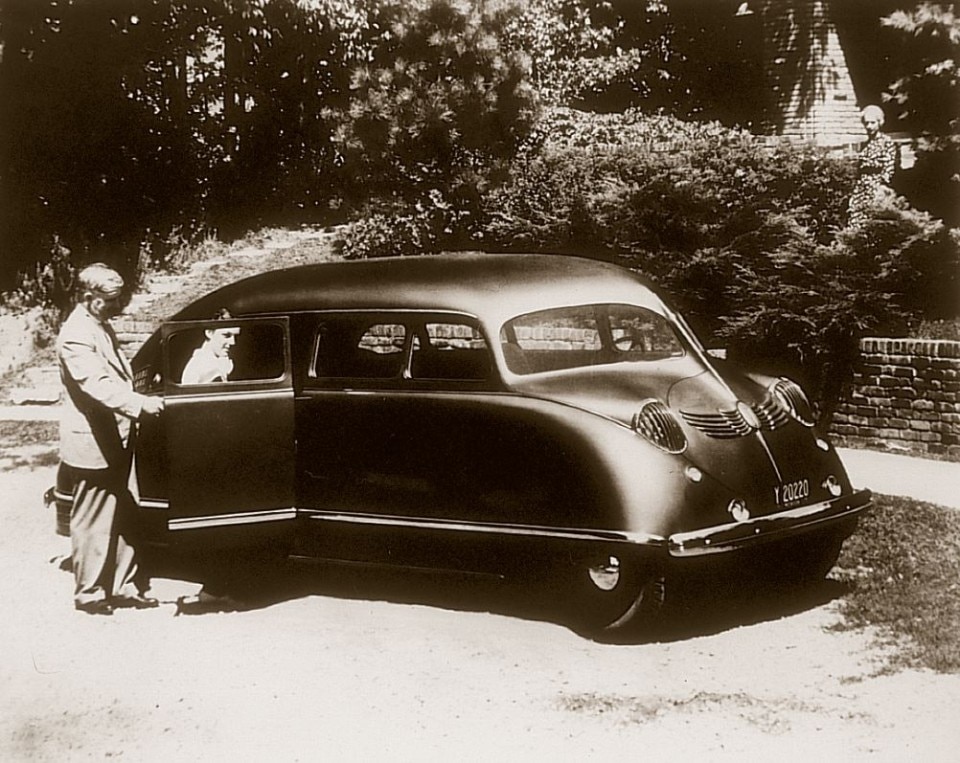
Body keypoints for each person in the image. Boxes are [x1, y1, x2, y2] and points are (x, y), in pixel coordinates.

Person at [57, 263, 165, 615]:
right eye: (112, 300)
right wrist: (140, 404)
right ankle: (89, 593)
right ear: (90, 298)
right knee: (93, 519)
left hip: (114, 438)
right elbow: (96, 384)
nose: (119, 306)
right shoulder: (76, 334)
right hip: (93, 443)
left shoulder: (98, 324)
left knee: (123, 513)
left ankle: (123, 586)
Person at [848, 104, 897, 228]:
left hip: (877, 186)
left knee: (874, 219)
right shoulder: (865, 144)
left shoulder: (887, 142)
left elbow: (889, 167)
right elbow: (860, 169)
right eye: (866, 123)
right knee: (856, 218)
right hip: (862, 186)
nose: (869, 126)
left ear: (879, 123)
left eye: (872, 123)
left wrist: (882, 188)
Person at [180, 308, 240, 384]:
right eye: (226, 335)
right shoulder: (195, 368)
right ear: (209, 333)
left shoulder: (224, 360)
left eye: (235, 336)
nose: (233, 342)